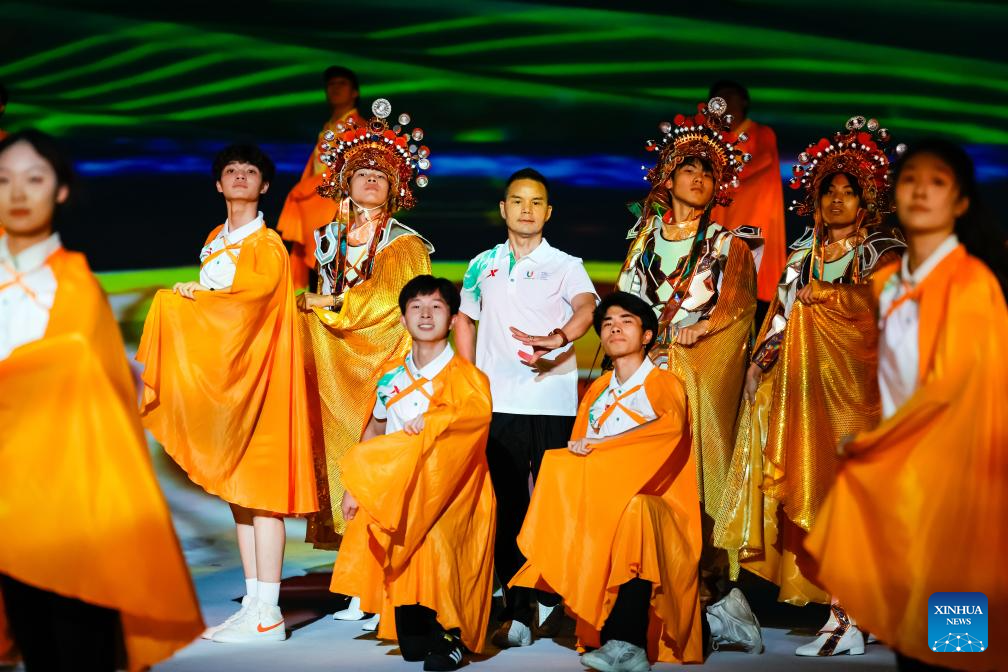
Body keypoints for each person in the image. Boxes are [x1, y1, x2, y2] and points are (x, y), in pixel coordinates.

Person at [0, 130, 203, 671]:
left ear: (61, 190)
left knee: (79, 647)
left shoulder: (78, 289)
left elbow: (108, 408)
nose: (17, 193)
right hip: (6, 506)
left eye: (34, 179)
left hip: (75, 504)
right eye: (3, 179)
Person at [805, 139, 1007, 672]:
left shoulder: (971, 283)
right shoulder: (891, 284)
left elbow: (953, 388)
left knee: (954, 640)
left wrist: (873, 444)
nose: (920, 190)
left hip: (959, 480)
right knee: (912, 637)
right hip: (906, 480)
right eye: (911, 178)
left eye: (937, 181)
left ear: (960, 202)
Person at [713, 116, 905, 656]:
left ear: (866, 200)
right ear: (815, 200)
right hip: (806, 396)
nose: (837, 200)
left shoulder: (882, 251)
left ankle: (855, 617)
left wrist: (826, 300)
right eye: (829, 191)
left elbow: (887, 314)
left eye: (849, 191)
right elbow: (781, 316)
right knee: (819, 500)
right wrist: (759, 364)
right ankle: (847, 614)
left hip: (862, 398)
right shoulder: (803, 254)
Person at [136, 143, 318, 643]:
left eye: (250, 171)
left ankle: (269, 613)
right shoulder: (216, 237)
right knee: (240, 497)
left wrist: (199, 298)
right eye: (231, 171)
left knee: (263, 497)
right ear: (218, 185)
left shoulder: (267, 245)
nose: (240, 177)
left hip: (262, 379)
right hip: (231, 380)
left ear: (264, 185)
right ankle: (255, 603)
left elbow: (251, 304)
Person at [617, 97, 763, 653]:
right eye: (689, 168)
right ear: (668, 177)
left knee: (696, 480)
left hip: (695, 375)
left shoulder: (729, 245)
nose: (699, 178)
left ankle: (713, 597)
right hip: (644, 376)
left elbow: (737, 311)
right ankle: (646, 598)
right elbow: (628, 300)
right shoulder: (643, 236)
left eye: (708, 171)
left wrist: (696, 334)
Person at [511, 291, 703, 671]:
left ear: (647, 336)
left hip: (657, 507)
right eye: (608, 323)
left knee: (633, 512)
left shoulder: (663, 383)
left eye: (626, 321)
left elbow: (668, 431)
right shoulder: (597, 390)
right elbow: (581, 448)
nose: (615, 328)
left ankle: (628, 644)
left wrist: (603, 446)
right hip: (606, 501)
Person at [454, 167, 598, 648]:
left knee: (554, 507)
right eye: (518, 201)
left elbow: (586, 308)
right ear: (503, 209)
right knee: (509, 508)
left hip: (553, 401)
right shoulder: (482, 264)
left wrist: (557, 337)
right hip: (499, 404)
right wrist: (469, 379)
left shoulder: (566, 264)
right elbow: (465, 320)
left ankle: (554, 598)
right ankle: (517, 612)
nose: (527, 210)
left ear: (548, 211)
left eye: (536, 202)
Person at [330, 275, 495, 672]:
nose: (425, 314)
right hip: (401, 494)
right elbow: (375, 430)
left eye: (436, 307)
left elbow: (474, 423)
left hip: (453, 496)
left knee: (440, 552)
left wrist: (436, 421)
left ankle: (453, 634)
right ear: (403, 319)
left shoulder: (467, 377)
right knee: (411, 645)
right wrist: (357, 488)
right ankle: (424, 625)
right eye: (416, 307)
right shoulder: (391, 377)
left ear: (452, 320)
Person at [277, 65, 366, 288]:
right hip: (315, 205)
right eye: (331, 84)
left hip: (339, 209)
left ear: (355, 92)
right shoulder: (329, 127)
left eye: (342, 83)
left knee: (333, 268)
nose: (335, 88)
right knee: (316, 268)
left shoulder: (360, 127)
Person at [707, 80, 786, 304]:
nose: (726, 102)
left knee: (754, 283)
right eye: (720, 97)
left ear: (743, 101)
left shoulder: (761, 133)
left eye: (730, 96)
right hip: (722, 217)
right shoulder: (712, 137)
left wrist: (724, 175)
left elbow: (764, 160)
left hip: (755, 218)